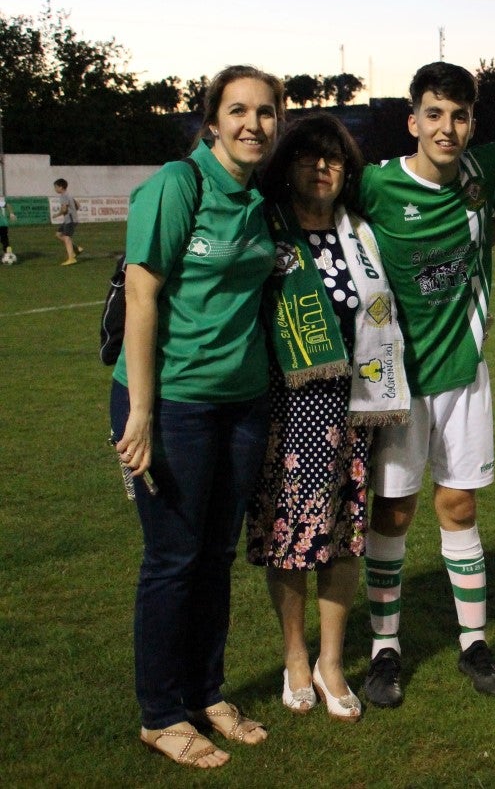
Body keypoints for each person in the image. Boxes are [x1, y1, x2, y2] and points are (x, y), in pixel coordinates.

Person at [111, 65, 282, 768]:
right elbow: (142, 299)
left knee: (214, 557)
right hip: (171, 402)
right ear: (211, 120)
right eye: (238, 111)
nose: (253, 124)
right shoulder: (177, 186)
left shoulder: (257, 196)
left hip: (241, 404)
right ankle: (160, 713)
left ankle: (206, 693)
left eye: (267, 113)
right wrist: (142, 413)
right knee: (173, 559)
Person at [358, 62, 495, 706]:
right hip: (394, 384)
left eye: (460, 116)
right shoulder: (374, 185)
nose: (447, 128)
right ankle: (384, 648)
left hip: (462, 375)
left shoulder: (481, 174)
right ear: (413, 120)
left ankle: (473, 642)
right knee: (394, 510)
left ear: (471, 122)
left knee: (460, 506)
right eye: (435, 114)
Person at [246, 114, 409, 723]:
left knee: (344, 540)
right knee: (288, 539)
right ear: (286, 165)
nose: (322, 168)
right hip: (283, 416)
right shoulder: (264, 229)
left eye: (334, 160)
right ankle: (295, 656)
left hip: (352, 416)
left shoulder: (361, 234)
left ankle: (332, 661)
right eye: (310, 157)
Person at [53, 177, 82, 265]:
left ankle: (71, 258)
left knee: (66, 237)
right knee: (58, 234)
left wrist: (57, 215)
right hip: (68, 219)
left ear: (61, 187)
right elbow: (78, 205)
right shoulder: (68, 195)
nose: (55, 189)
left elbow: (64, 209)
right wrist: (73, 211)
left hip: (70, 220)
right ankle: (76, 249)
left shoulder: (64, 196)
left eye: (56, 187)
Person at [1, 196, 15, 262]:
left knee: (5, 240)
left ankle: (9, 255)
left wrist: (11, 213)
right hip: (3, 225)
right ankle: (9, 255)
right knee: (5, 240)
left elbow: (8, 205)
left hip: (2, 224)